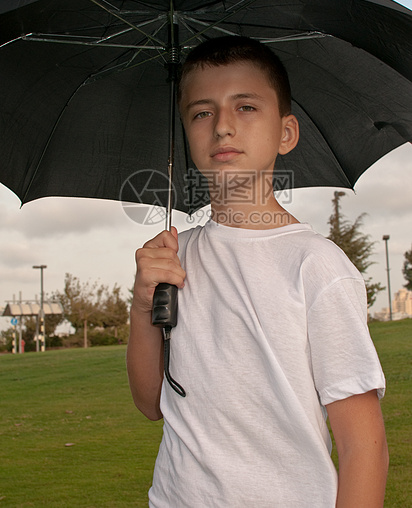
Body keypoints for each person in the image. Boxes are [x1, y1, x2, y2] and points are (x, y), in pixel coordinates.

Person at [127, 36, 388, 507]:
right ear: (186, 134)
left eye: (245, 107)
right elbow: (151, 403)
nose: (223, 127)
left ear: (285, 133)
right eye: (202, 113)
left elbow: (363, 446)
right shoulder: (172, 257)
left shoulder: (316, 265)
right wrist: (142, 303)